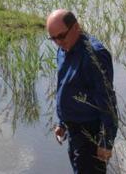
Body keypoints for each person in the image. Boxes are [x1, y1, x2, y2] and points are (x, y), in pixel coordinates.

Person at [47, 9, 118, 174]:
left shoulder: (94, 54)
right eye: (53, 38)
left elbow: (107, 101)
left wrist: (106, 142)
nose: (58, 42)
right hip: (74, 133)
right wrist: (62, 123)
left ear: (76, 27)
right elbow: (65, 88)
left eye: (61, 36)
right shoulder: (63, 49)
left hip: (91, 135)